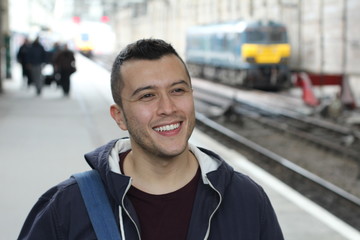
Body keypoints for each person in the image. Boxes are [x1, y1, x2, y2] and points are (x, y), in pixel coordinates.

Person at [18, 39, 284, 240]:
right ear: (119, 116)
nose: (168, 108)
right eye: (147, 95)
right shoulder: (67, 208)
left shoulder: (246, 199)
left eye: (178, 90)